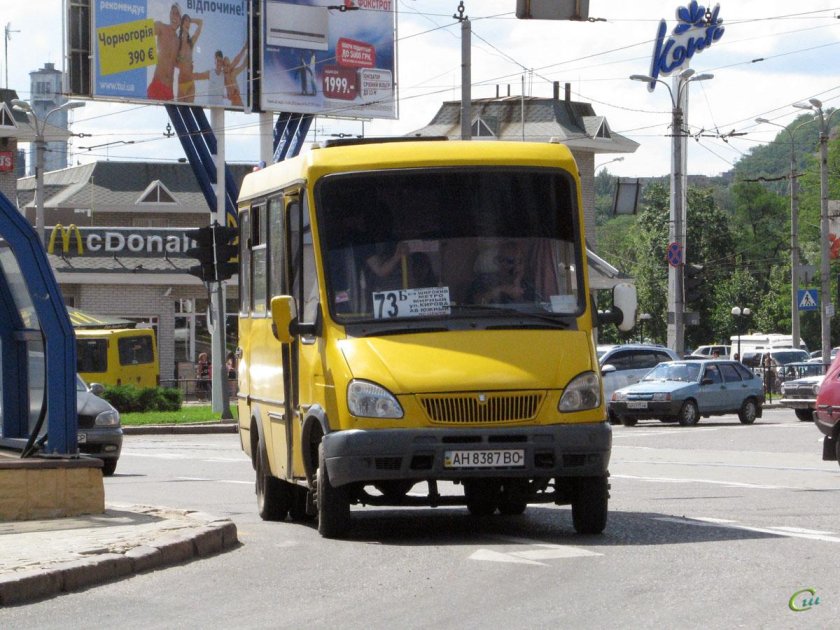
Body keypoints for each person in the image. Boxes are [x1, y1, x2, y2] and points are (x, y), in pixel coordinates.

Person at [470, 241, 535, 305]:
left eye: (520, 261)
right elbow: (475, 304)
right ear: (499, 262)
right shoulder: (483, 281)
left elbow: (534, 310)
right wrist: (500, 289)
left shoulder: (528, 286)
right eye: (511, 261)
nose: (517, 266)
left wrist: (516, 284)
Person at [148, 3, 182, 101]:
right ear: (170, 15)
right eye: (173, 13)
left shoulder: (178, 41)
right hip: (157, 86)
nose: (174, 16)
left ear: (180, 20)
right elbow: (142, 32)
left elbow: (175, 63)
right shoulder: (161, 27)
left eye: (177, 14)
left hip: (170, 91)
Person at [175, 14, 205, 102]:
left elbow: (200, 22)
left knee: (189, 109)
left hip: (190, 83)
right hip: (181, 83)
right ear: (181, 23)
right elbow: (172, 61)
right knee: (181, 111)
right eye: (185, 21)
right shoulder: (177, 43)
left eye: (189, 21)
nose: (187, 23)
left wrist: (190, 20)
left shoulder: (191, 43)